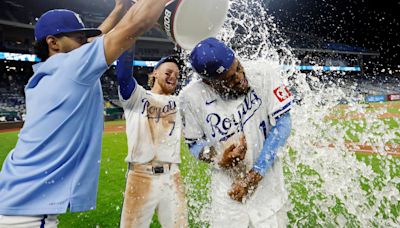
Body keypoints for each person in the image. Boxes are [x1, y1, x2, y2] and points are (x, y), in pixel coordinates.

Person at [0, 0, 171, 227]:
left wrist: (120, 8)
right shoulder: (73, 66)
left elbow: (95, 38)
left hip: (15, 199)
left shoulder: (47, 73)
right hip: (26, 216)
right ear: (53, 42)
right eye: (79, 38)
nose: (87, 43)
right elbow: (136, 24)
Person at [180, 37, 293, 227]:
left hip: (268, 189)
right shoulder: (190, 98)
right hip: (227, 195)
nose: (240, 78)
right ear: (209, 83)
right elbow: (194, 144)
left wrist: (256, 173)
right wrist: (217, 157)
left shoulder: (263, 72)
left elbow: (283, 123)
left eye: (238, 68)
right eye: (229, 79)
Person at [116, 51, 188, 228]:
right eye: (169, 72)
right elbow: (124, 75)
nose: (173, 77)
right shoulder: (137, 97)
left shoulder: (179, 102)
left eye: (177, 75)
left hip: (172, 175)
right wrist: (129, 36)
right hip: (140, 175)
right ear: (154, 73)